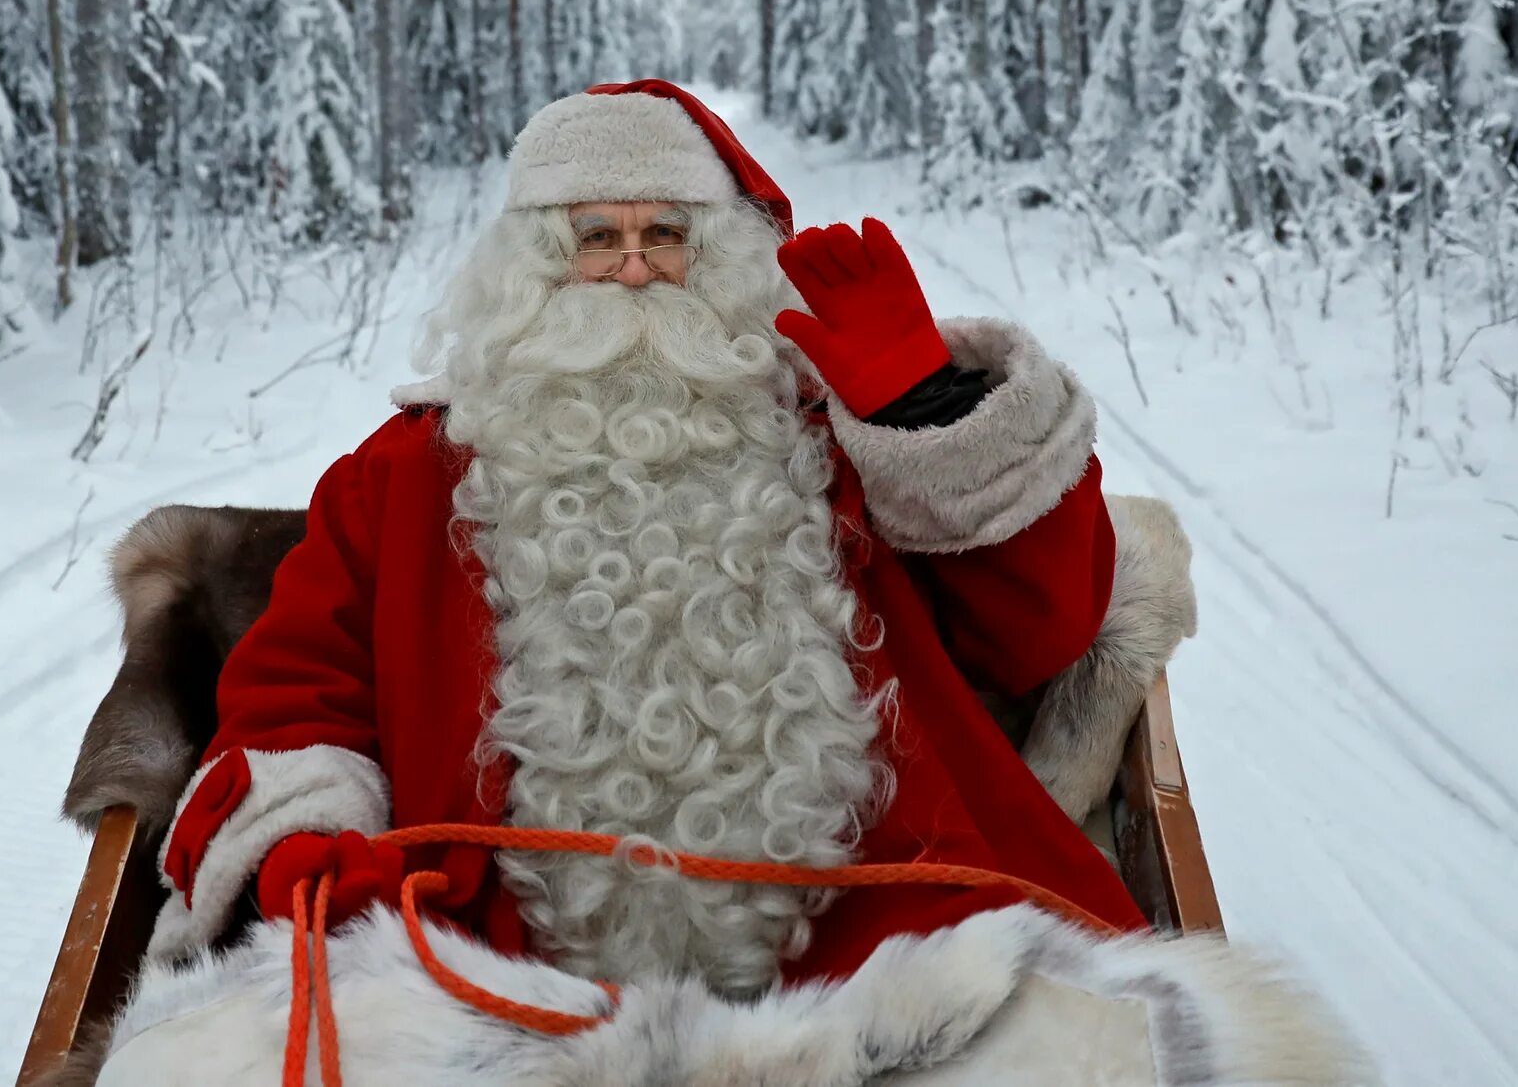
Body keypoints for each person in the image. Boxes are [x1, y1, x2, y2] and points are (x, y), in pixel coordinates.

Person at [143, 81, 1191, 988]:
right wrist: (312, 839)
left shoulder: (829, 436)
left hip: (878, 949)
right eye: (597, 236)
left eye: (668, 234)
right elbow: (297, 689)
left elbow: (1038, 634)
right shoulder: (407, 471)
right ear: (535, 267)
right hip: (494, 971)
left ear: (720, 256)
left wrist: (926, 416)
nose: (637, 268)